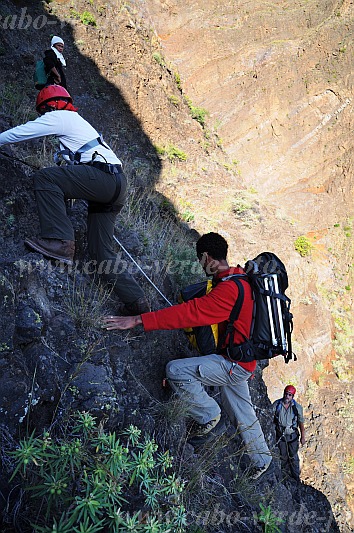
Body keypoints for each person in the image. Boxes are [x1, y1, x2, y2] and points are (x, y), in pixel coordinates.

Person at [103, 232, 273, 479]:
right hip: (243, 361)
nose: (200, 264)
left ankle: (208, 414)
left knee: (176, 370)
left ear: (206, 257)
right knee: (242, 410)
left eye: (200, 259)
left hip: (233, 364)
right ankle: (262, 459)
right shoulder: (240, 278)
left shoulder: (228, 290)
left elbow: (191, 313)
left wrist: (138, 320)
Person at [0, 85, 149, 315]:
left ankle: (61, 242)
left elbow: (22, 132)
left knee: (46, 178)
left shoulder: (61, 117)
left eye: (44, 111)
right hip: (117, 183)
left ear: (51, 105)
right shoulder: (79, 123)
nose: (44, 116)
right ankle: (137, 302)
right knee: (100, 251)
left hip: (104, 178)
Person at [273, 385, 305, 481]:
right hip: (281, 436)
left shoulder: (297, 408)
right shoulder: (277, 405)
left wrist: (303, 437)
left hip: (292, 437)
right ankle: (284, 476)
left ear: (292, 396)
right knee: (283, 457)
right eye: (286, 394)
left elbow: (301, 423)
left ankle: (296, 478)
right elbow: (270, 416)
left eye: (289, 395)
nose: (287, 396)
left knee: (293, 457)